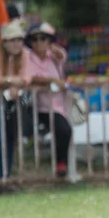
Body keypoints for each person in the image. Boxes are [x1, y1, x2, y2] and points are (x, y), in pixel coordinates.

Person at [0, 20, 31, 190]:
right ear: (5, 42)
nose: (17, 44)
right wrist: (9, 80)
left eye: (19, 39)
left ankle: (6, 178)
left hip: (12, 101)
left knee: (10, 137)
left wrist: (18, 84)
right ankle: (1, 177)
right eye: (13, 40)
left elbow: (27, 77)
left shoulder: (24, 55)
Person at [27, 23, 72, 177]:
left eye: (43, 39)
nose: (39, 42)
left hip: (60, 103)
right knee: (64, 130)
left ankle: (62, 165)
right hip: (41, 106)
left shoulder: (52, 56)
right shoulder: (28, 58)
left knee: (63, 132)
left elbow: (62, 56)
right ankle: (61, 164)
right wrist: (52, 80)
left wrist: (53, 46)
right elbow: (30, 77)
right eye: (35, 39)